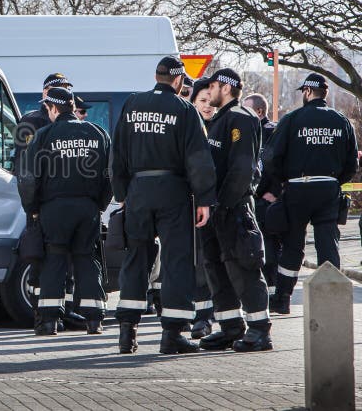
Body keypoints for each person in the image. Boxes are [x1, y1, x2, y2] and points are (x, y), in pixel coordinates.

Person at [110, 56, 216, 354]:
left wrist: (121, 193)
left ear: (156, 77)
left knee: (136, 257)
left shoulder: (131, 104)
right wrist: (204, 199)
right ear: (180, 80)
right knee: (175, 260)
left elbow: (116, 152)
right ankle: (172, 334)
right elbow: (198, 158)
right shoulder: (184, 110)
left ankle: (127, 333)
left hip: (138, 191)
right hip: (173, 191)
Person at [19, 86, 112, 335]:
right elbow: (111, 174)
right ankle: (94, 319)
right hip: (88, 207)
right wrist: (100, 204)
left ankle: (49, 321)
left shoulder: (44, 135)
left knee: (54, 259)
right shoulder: (98, 133)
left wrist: (33, 209)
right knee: (87, 259)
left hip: (54, 207)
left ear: (52, 107)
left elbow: (28, 177)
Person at [264, 73, 358, 314]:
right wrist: (335, 181)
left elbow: (272, 156)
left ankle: (282, 298)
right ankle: (332, 301)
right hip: (328, 188)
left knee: (293, 244)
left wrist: (280, 183)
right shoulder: (341, 121)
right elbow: (351, 164)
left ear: (307, 92)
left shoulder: (293, 119)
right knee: (328, 242)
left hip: (297, 188)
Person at [198, 69, 272, 352]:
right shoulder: (220, 119)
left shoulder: (240, 117)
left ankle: (259, 330)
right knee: (217, 268)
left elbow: (242, 168)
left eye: (213, 86)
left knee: (243, 266)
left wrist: (226, 203)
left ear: (225, 87)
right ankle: (231, 328)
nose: (209, 93)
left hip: (234, 208)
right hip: (217, 209)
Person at [13, 73, 86, 330]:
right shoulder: (30, 122)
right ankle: (39, 312)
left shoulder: (73, 123)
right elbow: (23, 168)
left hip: (62, 201)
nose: (64, 93)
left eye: (67, 89)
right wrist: (31, 206)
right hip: (40, 201)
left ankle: (64, 311)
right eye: (58, 89)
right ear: (45, 94)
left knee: (66, 261)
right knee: (39, 257)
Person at [242, 93, 282, 302]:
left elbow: (279, 164)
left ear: (258, 111)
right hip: (251, 198)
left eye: (246, 109)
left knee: (269, 247)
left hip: (267, 200)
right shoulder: (248, 130)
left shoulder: (272, 132)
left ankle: (273, 291)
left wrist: (275, 192)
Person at [188, 78, 216, 340]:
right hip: (193, 207)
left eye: (211, 102)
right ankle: (200, 317)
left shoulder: (223, 126)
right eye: (202, 101)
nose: (207, 107)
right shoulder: (185, 128)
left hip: (220, 206)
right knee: (198, 262)